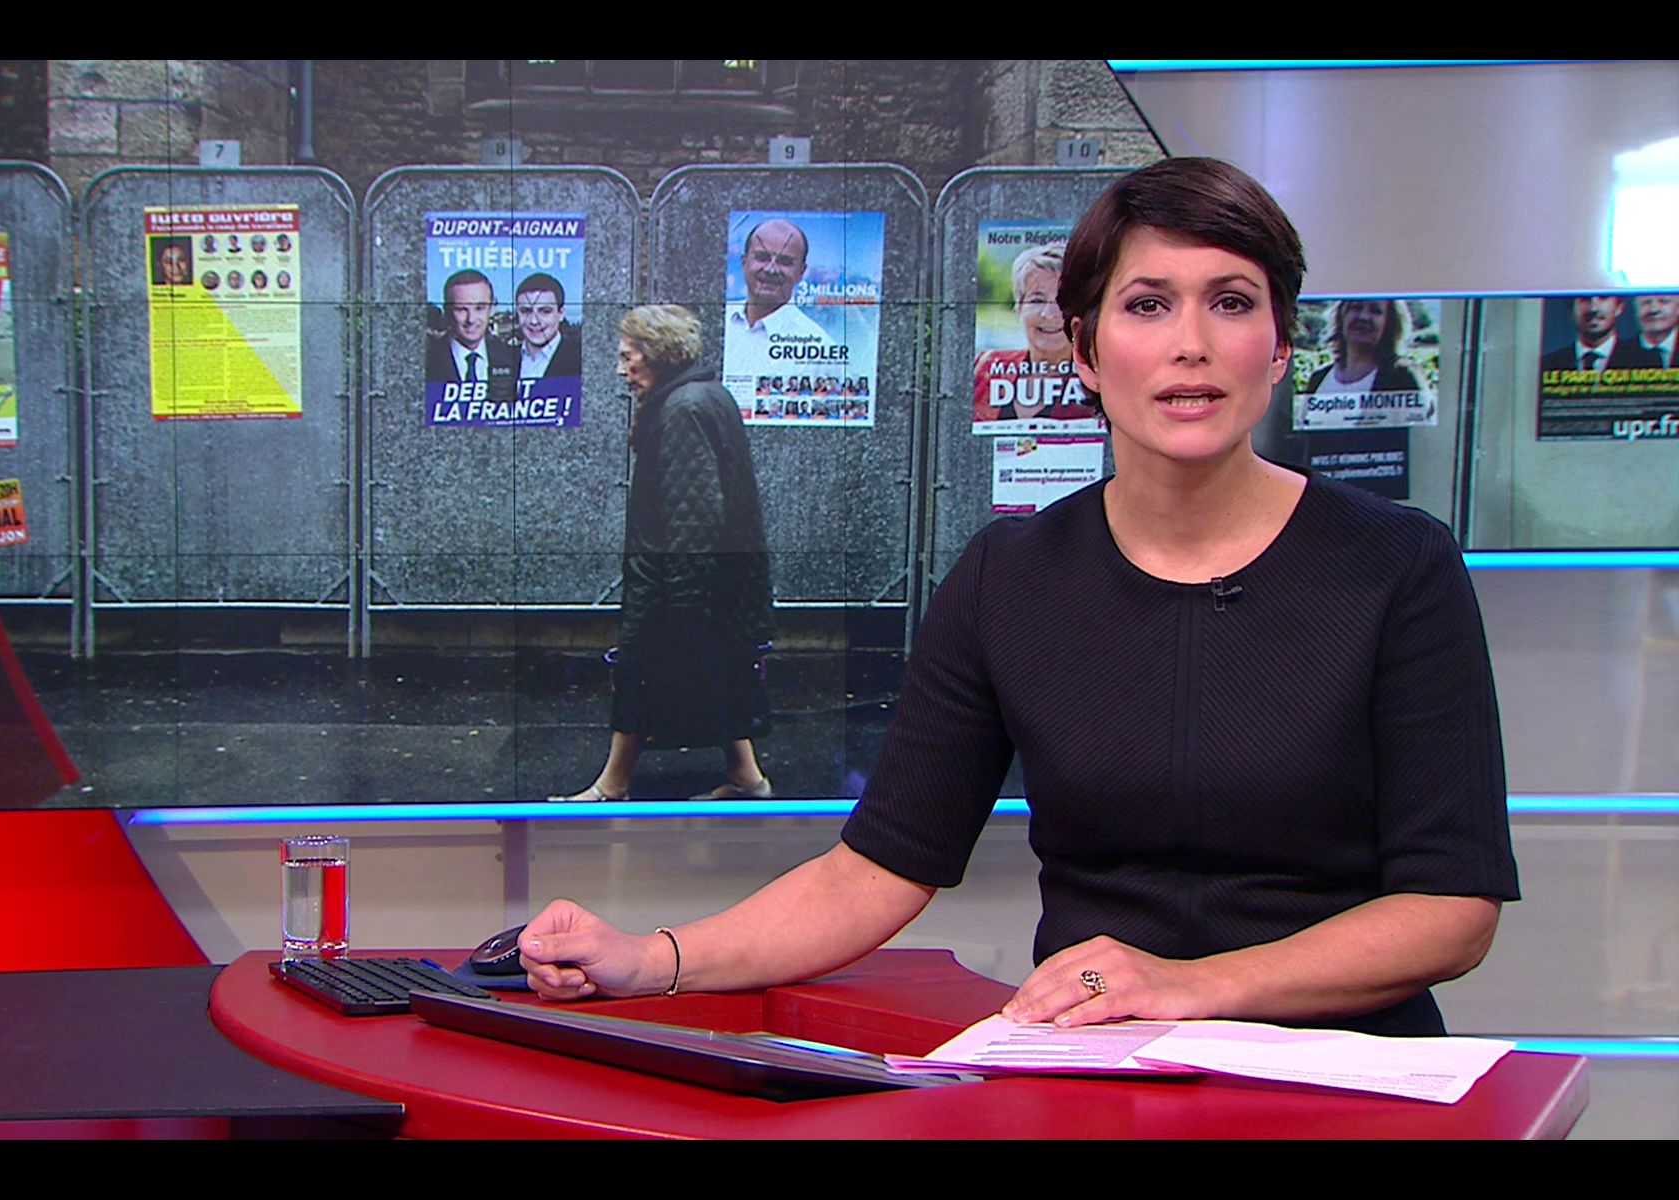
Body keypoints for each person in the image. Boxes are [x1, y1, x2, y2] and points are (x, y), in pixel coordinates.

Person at [520, 158, 1518, 1039]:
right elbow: (873, 872)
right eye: (1148, 305)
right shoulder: (1012, 576)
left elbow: (1451, 909)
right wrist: (651, 958)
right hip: (1095, 1066)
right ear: (1083, 350)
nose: (1192, 343)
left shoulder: (1398, 565)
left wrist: (1192, 986)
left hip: (1349, 1077)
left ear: (1280, 344)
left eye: (1231, 302)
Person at [549, 304, 775, 804]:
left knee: (638, 675)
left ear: (658, 354)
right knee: (718, 677)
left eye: (628, 357)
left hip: (678, 585)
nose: (622, 370)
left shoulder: (682, 410)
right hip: (713, 583)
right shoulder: (705, 395)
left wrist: (683, 599)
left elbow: (696, 513)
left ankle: (612, 785)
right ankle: (747, 777)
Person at [972, 241, 1097, 422]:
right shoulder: (984, 367)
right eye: (1037, 300)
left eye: (1063, 302)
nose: (1049, 314)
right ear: (1019, 308)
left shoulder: (1099, 381)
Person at [721, 218, 832, 384]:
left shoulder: (821, 349)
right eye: (762, 257)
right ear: (744, 263)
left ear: (801, 272)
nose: (771, 269)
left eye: (784, 262)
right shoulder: (717, 322)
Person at [426, 269, 518, 404]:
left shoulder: (514, 359)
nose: (471, 319)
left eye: (479, 308)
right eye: (461, 309)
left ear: (492, 308)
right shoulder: (427, 361)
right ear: (447, 310)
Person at [1302, 299, 1426, 397]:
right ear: (1341, 316)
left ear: (1389, 322)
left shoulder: (1403, 377)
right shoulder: (1318, 379)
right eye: (1356, 307)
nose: (1363, 317)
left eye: (1375, 310)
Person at [514, 272, 580, 384]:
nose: (534, 321)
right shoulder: (505, 358)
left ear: (561, 314)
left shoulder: (579, 357)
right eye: (526, 311)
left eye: (545, 311)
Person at [1541, 295, 1632, 373]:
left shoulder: (1638, 358)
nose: (1593, 309)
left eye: (1603, 297)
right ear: (1571, 309)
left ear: (1619, 307)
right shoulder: (1548, 364)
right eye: (1584, 298)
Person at [1627, 294, 1679, 368]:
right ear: (1636, 310)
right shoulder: (1620, 353)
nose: (1654, 310)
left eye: (1664, 302)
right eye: (1646, 302)